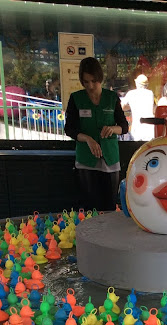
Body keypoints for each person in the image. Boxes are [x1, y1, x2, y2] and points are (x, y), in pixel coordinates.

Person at [64, 57, 129, 212]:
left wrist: (113, 129)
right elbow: (69, 129)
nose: (90, 86)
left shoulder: (112, 98)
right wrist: (87, 139)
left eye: (94, 81)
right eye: (86, 82)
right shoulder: (76, 98)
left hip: (110, 156)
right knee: (88, 204)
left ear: (100, 78)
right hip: (86, 157)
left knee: (109, 205)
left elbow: (124, 127)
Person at [120, 74, 154, 141]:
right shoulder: (150, 93)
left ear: (136, 83)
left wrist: (131, 107)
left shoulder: (131, 94)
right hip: (150, 129)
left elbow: (122, 106)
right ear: (147, 85)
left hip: (137, 129)